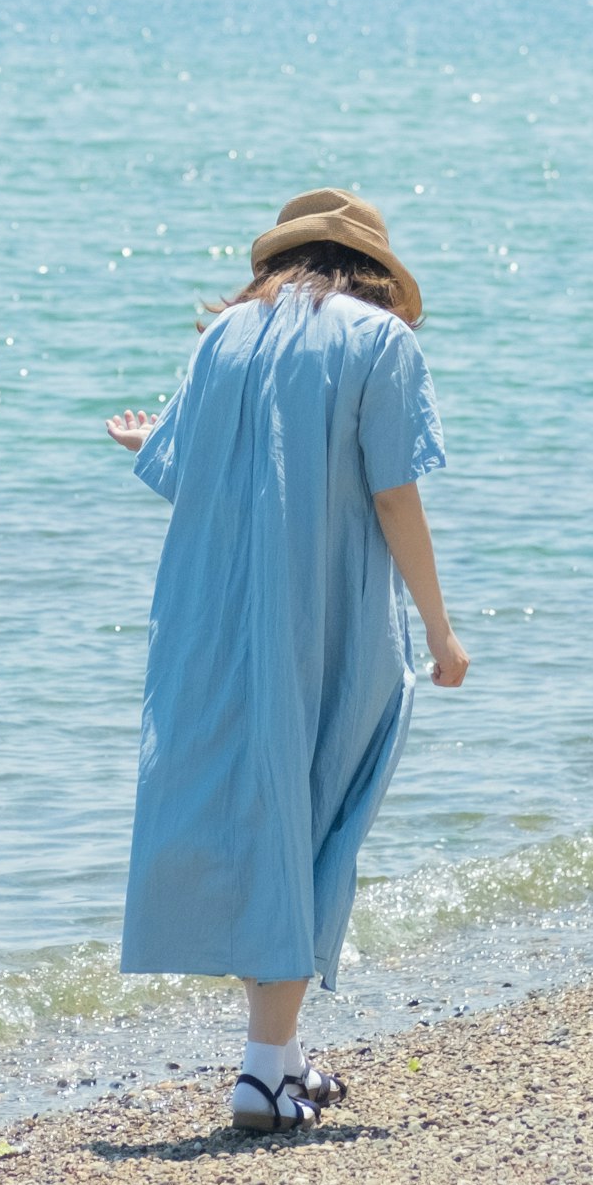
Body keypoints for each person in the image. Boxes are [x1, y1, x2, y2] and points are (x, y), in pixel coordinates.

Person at [105, 188, 470, 1133]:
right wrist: (439, 628)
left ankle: (285, 1056)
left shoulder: (224, 336)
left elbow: (192, 471)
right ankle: (263, 1073)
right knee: (319, 818)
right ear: (375, 273)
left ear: (280, 261)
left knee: (256, 807)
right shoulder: (381, 343)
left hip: (217, 617)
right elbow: (393, 495)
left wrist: (147, 444)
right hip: (328, 617)